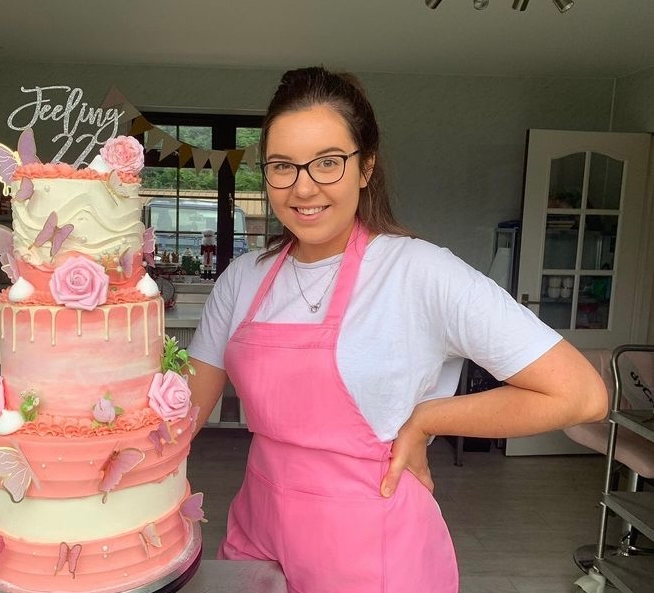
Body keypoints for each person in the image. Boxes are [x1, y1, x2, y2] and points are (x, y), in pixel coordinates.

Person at [185, 66, 607, 593]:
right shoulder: (242, 279)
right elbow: (185, 412)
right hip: (259, 532)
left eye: (328, 163)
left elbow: (580, 393)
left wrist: (429, 418)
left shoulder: (419, 272)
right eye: (282, 166)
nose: (303, 186)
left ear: (365, 169)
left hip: (372, 552)